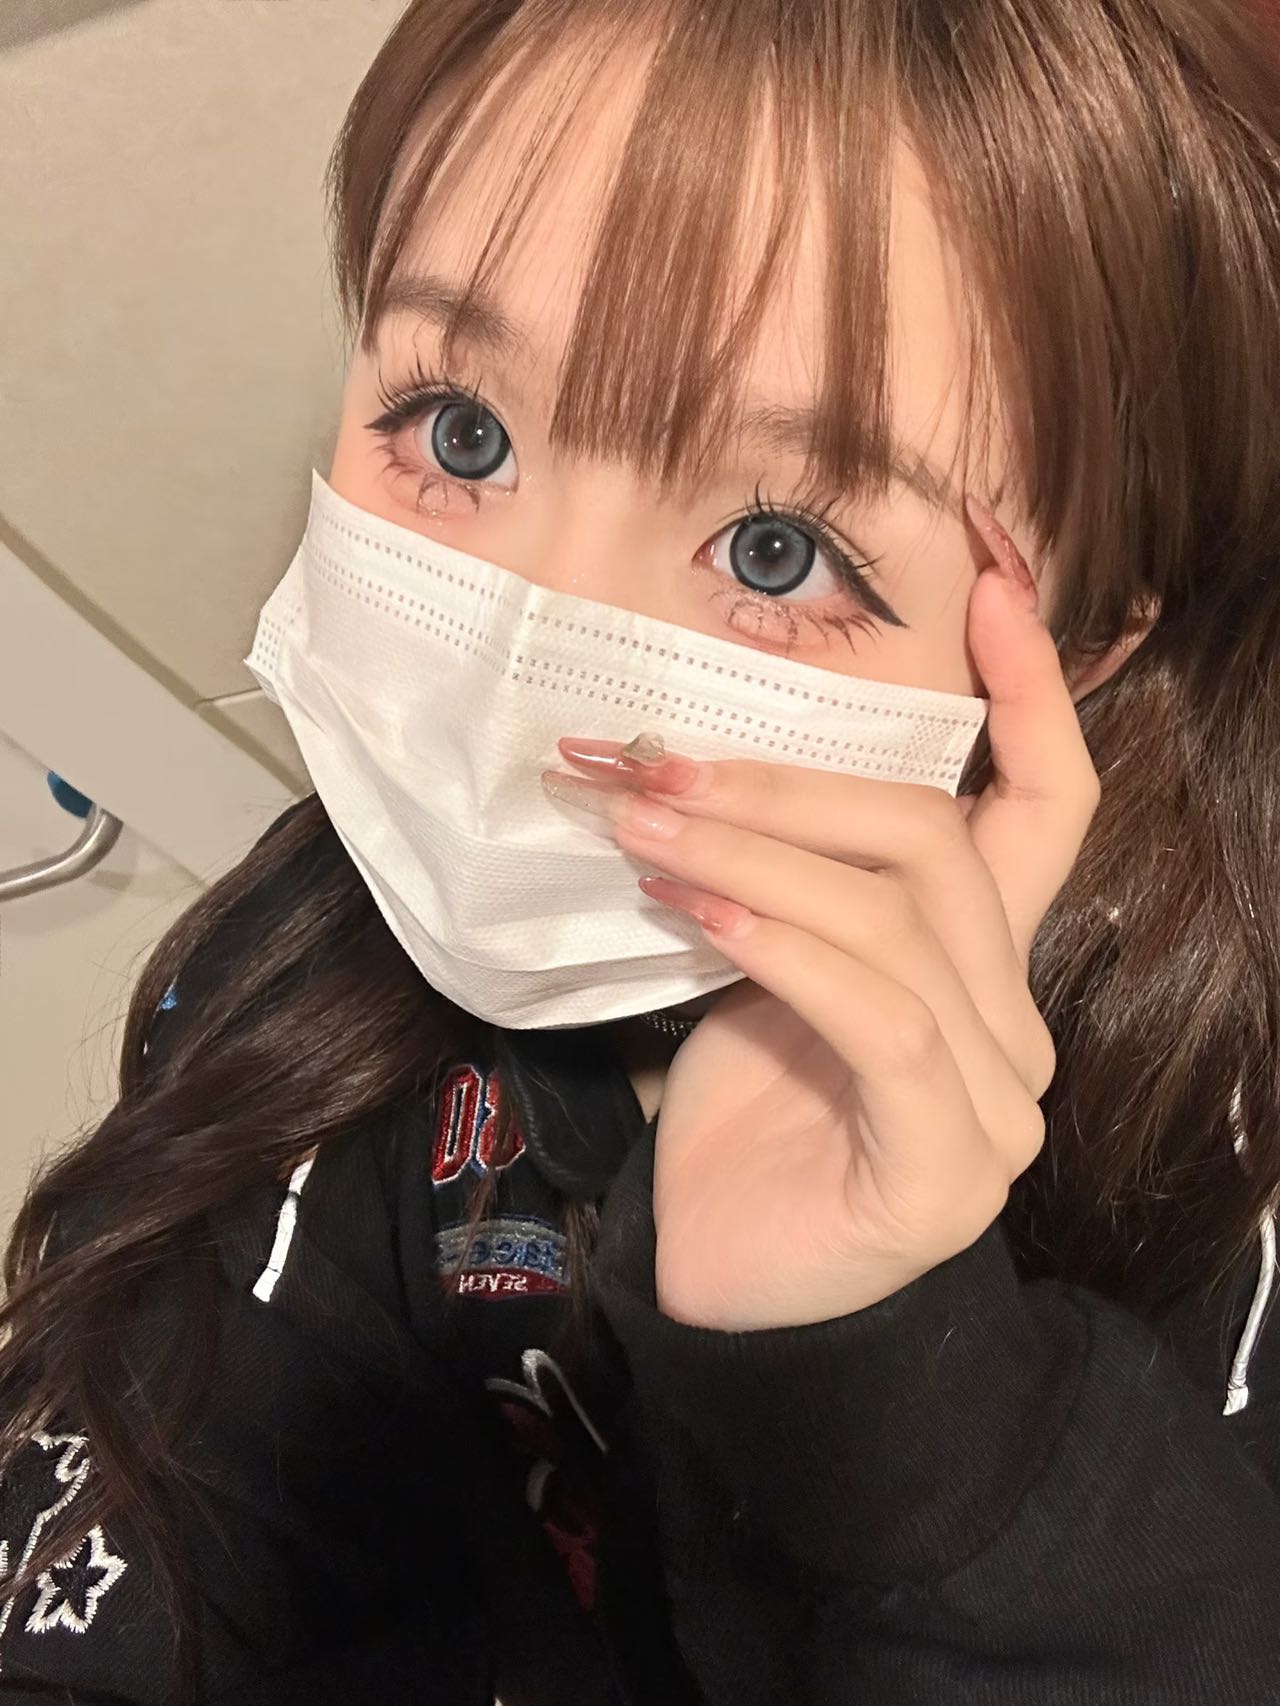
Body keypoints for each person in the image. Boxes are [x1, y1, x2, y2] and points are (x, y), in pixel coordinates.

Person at [2, 0, 1279, 1699]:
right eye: (462, 429)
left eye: (776, 548)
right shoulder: (305, 952)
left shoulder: (1208, 1157)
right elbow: (140, 1510)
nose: (526, 675)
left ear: (1078, 649)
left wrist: (900, 1383)